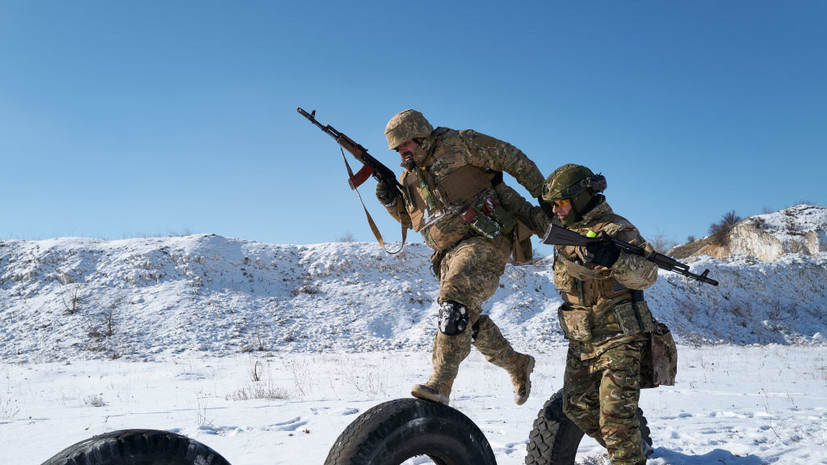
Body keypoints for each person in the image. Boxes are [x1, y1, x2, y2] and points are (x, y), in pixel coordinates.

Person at [375, 108, 543, 405]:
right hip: (446, 255)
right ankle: (517, 363)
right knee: (465, 322)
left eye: (404, 145)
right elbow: (411, 220)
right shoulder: (408, 177)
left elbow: (511, 156)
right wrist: (390, 199)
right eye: (397, 149)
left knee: (454, 302)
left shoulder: (460, 144)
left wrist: (545, 196)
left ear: (420, 134)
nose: (400, 152)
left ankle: (440, 384)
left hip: (484, 237)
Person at [529, 163, 658, 465]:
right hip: (583, 338)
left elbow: (648, 275)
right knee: (575, 407)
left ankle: (627, 453)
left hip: (620, 337)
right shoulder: (563, 232)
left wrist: (615, 259)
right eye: (553, 205)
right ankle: (630, 449)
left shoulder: (617, 229)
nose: (556, 210)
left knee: (617, 422)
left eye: (561, 203)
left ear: (583, 197)